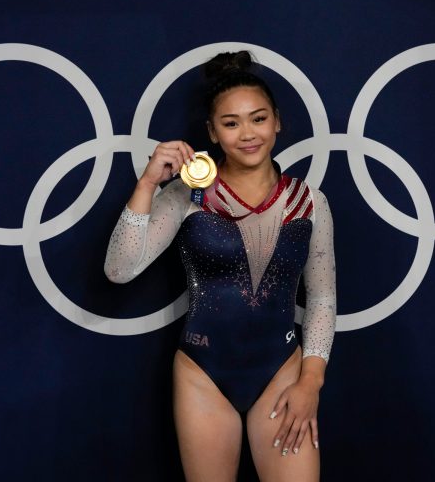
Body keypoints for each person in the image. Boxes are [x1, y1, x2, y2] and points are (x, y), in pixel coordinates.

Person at [104, 51, 336, 481]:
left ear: (278, 122)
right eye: (231, 123)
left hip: (283, 373)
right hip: (203, 375)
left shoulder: (309, 202)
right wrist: (148, 183)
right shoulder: (187, 195)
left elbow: (321, 298)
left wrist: (311, 382)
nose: (247, 134)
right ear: (212, 132)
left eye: (258, 119)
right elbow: (120, 269)